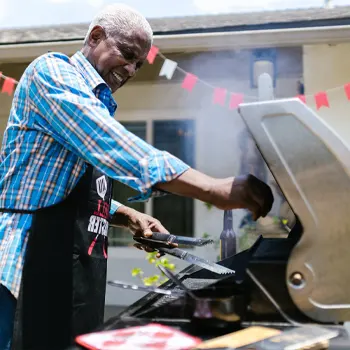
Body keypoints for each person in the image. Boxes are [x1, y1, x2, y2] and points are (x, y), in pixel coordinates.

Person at [0, 3, 274, 350]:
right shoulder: (51, 73)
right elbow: (107, 142)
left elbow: (64, 189)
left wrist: (130, 216)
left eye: (138, 63)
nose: (130, 69)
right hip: (18, 274)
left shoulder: (94, 103)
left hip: (69, 281)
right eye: (127, 54)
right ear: (95, 36)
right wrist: (210, 188)